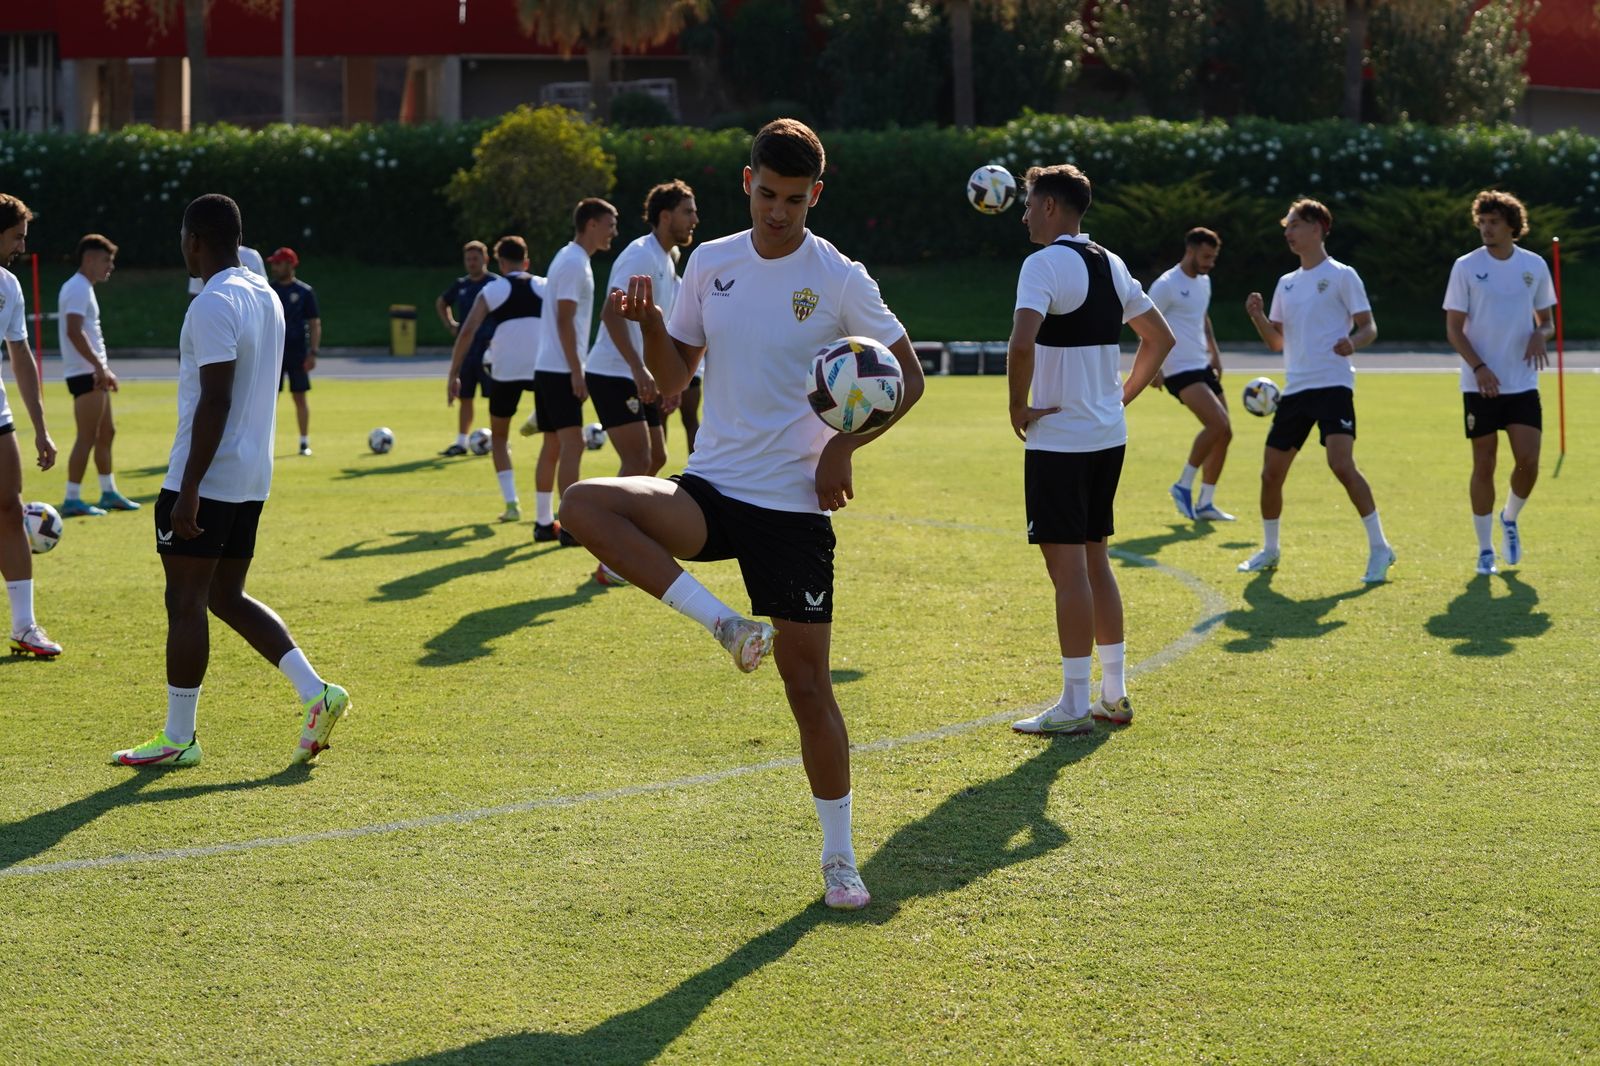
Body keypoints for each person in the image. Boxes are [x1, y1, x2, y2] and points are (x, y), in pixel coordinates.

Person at [561, 118, 926, 911]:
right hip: (711, 490)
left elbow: (910, 375)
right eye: (767, 194)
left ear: (815, 196)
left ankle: (839, 857)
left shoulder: (838, 276)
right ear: (746, 183)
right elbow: (672, 379)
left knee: (807, 687)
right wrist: (654, 325)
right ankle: (727, 626)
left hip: (794, 509)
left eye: (795, 199)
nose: (778, 211)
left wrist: (844, 449)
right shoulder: (711, 263)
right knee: (586, 502)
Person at [113, 194, 348, 768]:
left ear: (194, 240)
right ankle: (316, 692)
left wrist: (188, 487)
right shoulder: (265, 293)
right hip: (251, 475)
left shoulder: (212, 302)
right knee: (225, 595)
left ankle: (179, 738)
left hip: (209, 476)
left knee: (185, 601)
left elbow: (215, 398)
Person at [1005, 164, 1175, 738]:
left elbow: (1021, 341)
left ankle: (1074, 705)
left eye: (1029, 203)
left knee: (1068, 571)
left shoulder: (1041, 264)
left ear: (1052, 206)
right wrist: (1119, 398)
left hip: (1060, 441)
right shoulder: (1112, 262)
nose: (1025, 214)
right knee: (1096, 558)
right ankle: (1114, 692)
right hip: (1107, 438)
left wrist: (1016, 406)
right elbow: (1160, 339)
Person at [1239, 198, 1395, 583]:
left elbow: (1369, 327)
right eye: (1287, 228)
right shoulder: (1286, 283)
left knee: (1341, 465)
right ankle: (1270, 550)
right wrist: (1259, 317)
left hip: (1333, 385)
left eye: (1294, 225)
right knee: (1270, 474)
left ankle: (1380, 548)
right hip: (1296, 389)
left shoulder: (1342, 275)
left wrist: (1353, 343)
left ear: (1317, 227)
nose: (1288, 233)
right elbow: (1277, 343)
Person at [585, 181, 699, 584]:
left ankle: (622, 546)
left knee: (656, 458)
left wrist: (672, 380)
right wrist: (640, 370)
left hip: (641, 374)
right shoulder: (640, 254)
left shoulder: (669, 260)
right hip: (614, 372)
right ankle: (609, 553)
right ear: (665, 216)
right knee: (638, 460)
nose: (694, 220)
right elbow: (612, 315)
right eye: (688, 211)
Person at [1443, 190, 1556, 576]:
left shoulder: (1535, 265)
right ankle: (1484, 548)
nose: (1486, 229)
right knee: (1484, 464)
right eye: (1482, 222)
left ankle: (1509, 517)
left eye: (1493, 222)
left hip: (1521, 382)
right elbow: (1454, 330)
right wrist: (1479, 368)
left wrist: (1543, 333)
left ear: (1511, 226)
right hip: (1480, 384)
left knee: (1529, 462)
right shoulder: (1465, 266)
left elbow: (1548, 320)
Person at [519, 198, 617, 545]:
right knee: (572, 444)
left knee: (554, 445)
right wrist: (577, 371)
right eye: (610, 224)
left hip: (548, 366)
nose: (613, 231)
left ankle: (545, 523)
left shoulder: (568, 257)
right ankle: (570, 526)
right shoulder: (575, 262)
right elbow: (564, 318)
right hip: (560, 368)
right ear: (591, 223)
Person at [445, 236, 546, 525]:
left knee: (499, 437)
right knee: (555, 439)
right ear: (526, 261)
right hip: (542, 368)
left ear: (500, 263)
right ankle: (545, 509)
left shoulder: (493, 289)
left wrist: (453, 374)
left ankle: (512, 503)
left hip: (505, 370)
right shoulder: (545, 285)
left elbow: (466, 332)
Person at [0, 193, 62, 658]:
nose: (22, 244)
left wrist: (40, 427)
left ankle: (24, 626)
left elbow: (19, 356)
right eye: (17, 236)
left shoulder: (9, 286)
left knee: (9, 508)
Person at [1148, 227, 1233, 522]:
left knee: (1225, 433)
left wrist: (1215, 353)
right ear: (1191, 250)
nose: (1210, 263)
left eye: (1214, 257)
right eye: (1206, 256)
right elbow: (1143, 321)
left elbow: (1203, 318)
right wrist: (1153, 366)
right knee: (1216, 424)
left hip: (1201, 363)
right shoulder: (1167, 284)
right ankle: (1182, 485)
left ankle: (1206, 502)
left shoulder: (1204, 282)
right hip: (1177, 367)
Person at [57, 233, 139, 518]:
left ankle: (108, 492)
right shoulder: (78, 287)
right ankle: (72, 498)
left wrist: (104, 368)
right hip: (85, 373)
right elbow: (73, 330)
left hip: (92, 370)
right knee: (87, 436)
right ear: (89, 259)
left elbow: (86, 332)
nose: (110, 266)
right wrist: (98, 367)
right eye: (106, 260)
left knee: (106, 432)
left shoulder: (83, 287)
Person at [435, 240, 499, 456]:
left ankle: (499, 440)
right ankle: (461, 442)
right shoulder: (461, 285)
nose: (471, 263)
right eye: (468, 259)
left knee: (495, 397)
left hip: (489, 351)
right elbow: (442, 302)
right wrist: (451, 325)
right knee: (465, 396)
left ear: (486, 259)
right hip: (467, 350)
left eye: (476, 259)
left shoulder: (495, 283)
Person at [267, 247, 320, 456]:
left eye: (278, 263)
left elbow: (314, 323)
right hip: (274, 353)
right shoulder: (268, 290)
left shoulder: (305, 292)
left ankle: (303, 442)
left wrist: (313, 352)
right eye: (273, 263)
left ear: (290, 265)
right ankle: (266, 444)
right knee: (270, 399)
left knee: (300, 397)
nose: (274, 267)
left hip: (298, 353)